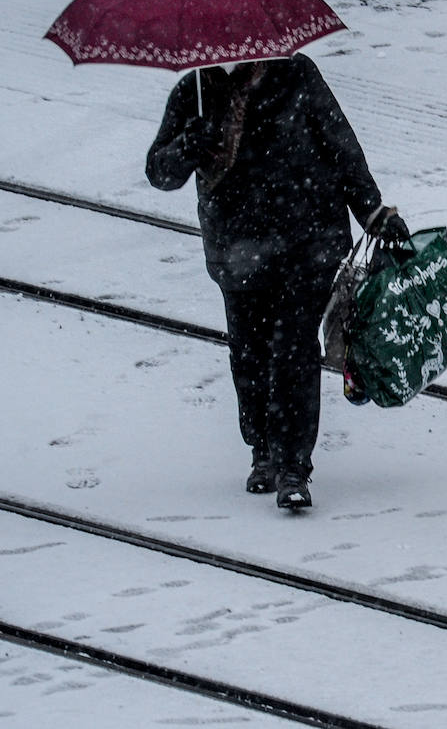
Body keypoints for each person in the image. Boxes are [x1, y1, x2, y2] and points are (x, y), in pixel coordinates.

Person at [146, 54, 408, 510]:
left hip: (308, 243)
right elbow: (159, 171)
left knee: (293, 353)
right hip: (237, 251)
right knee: (248, 354)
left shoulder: (296, 75)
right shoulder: (196, 92)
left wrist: (372, 212)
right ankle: (262, 451)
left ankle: (293, 467)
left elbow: (341, 146)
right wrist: (190, 144)